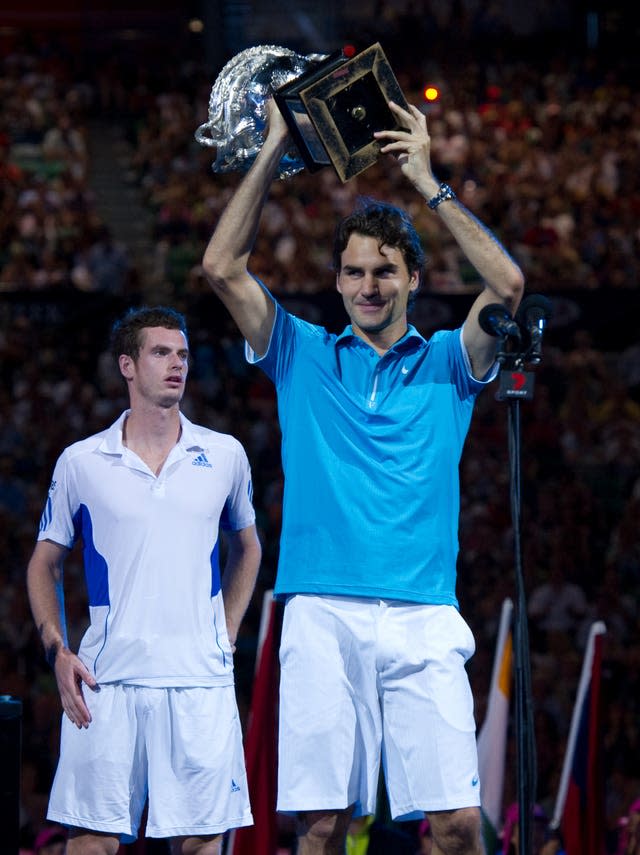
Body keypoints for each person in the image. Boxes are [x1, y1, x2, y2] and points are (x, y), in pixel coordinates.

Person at [202, 97, 524, 855]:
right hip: (318, 608)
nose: (367, 285)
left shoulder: (451, 361)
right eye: (353, 272)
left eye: (384, 270)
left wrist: (427, 181)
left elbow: (507, 287)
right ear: (338, 282)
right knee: (320, 826)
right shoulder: (300, 352)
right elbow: (221, 266)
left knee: (452, 828)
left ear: (413, 277)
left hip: (423, 613)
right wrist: (276, 143)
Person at [27, 306, 261, 855]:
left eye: (182, 353)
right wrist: (57, 649)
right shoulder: (81, 461)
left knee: (202, 845)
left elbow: (247, 547)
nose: (177, 363)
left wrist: (224, 632)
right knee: (90, 845)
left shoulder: (225, 454)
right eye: (161, 352)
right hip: (107, 682)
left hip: (200, 682)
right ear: (127, 365)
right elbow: (44, 562)